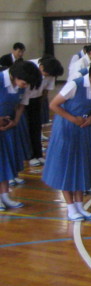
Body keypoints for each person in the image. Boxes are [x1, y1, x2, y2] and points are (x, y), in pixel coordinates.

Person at [42, 56, 91, 220]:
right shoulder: (74, 85)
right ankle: (70, 208)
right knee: (67, 168)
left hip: (85, 128)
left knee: (81, 167)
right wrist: (73, 119)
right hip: (67, 129)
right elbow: (53, 105)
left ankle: (79, 206)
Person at [0, 61, 42, 210]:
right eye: (24, 83)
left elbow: (21, 104)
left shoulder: (23, 85)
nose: (24, 86)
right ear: (14, 75)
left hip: (8, 125)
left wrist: (16, 120)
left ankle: (5, 195)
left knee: (5, 162)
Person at [23, 56, 63, 167]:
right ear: (41, 67)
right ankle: (29, 156)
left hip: (36, 99)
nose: (46, 76)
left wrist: (40, 103)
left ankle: (38, 154)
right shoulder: (29, 67)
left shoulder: (50, 71)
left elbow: (46, 90)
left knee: (36, 127)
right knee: (27, 128)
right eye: (45, 73)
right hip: (23, 101)